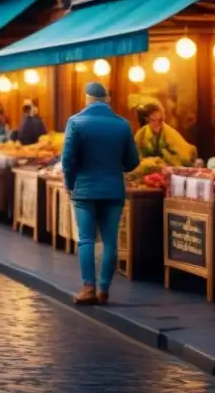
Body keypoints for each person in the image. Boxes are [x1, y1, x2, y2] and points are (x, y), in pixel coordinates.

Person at [61, 81, 139, 306]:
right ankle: (104, 289)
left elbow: (67, 160)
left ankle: (88, 287)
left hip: (84, 191)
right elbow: (133, 161)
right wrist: (115, 167)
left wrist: (70, 183)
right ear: (107, 100)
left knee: (86, 240)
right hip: (113, 190)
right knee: (110, 241)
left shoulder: (75, 122)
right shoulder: (123, 125)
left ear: (87, 99)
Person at [135, 102, 198, 166]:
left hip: (169, 164)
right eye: (153, 120)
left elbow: (182, 151)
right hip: (148, 165)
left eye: (159, 120)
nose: (157, 123)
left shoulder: (168, 131)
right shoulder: (141, 133)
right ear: (147, 119)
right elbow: (135, 152)